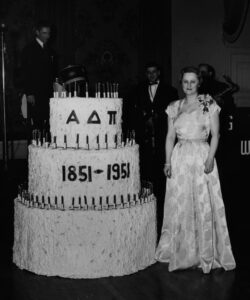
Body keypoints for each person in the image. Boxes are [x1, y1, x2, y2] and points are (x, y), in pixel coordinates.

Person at [155, 66, 236, 273]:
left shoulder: (208, 103)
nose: (189, 86)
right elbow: (170, 137)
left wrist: (210, 158)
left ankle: (205, 251)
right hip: (180, 158)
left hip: (201, 156)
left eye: (193, 82)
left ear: (199, 83)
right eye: (185, 82)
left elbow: (216, 135)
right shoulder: (174, 106)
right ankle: (182, 251)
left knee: (203, 203)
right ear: (181, 83)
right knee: (181, 203)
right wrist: (167, 162)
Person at [132, 62, 178, 238]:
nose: (151, 75)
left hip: (162, 141)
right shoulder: (137, 90)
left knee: (162, 181)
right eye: (148, 72)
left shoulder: (171, 91)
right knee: (145, 178)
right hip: (144, 143)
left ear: (159, 72)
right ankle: (146, 216)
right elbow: (132, 114)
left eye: (154, 72)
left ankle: (163, 216)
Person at [20, 20, 56, 133]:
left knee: (47, 124)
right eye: (44, 33)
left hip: (47, 93)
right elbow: (26, 72)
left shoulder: (49, 50)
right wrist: (29, 92)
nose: (48, 36)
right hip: (35, 94)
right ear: (37, 32)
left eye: (49, 33)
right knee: (36, 125)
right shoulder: (29, 49)